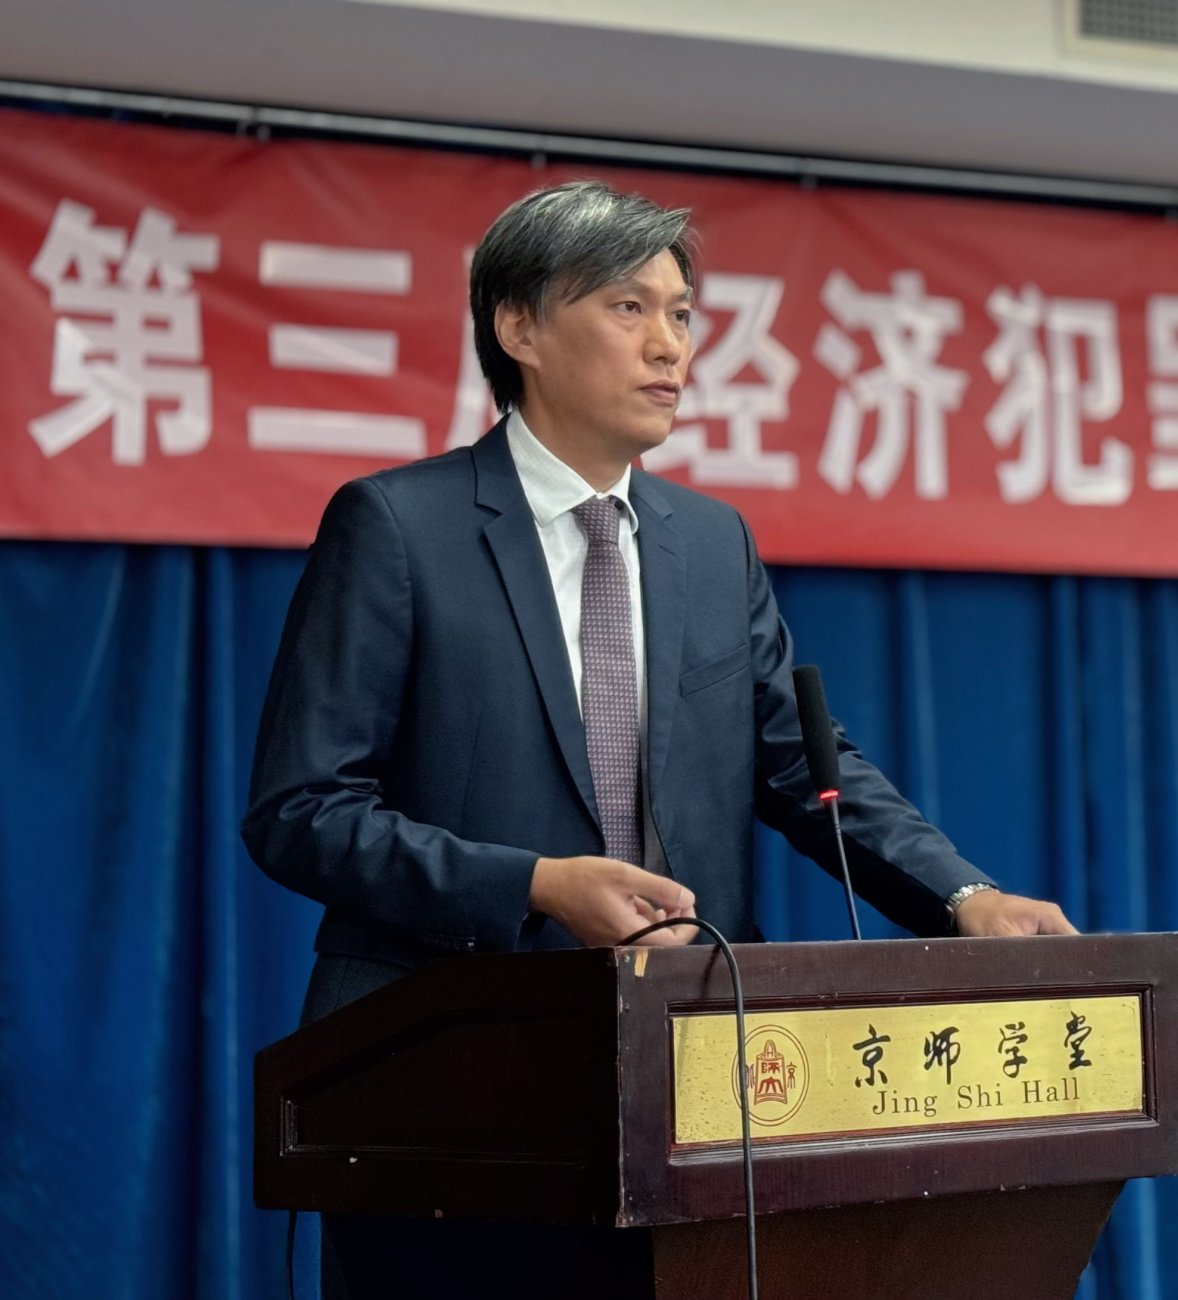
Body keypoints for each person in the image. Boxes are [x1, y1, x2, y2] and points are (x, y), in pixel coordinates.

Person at [242, 179, 1075, 1296]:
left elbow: (803, 764)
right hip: (449, 1077)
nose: (669, 345)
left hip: (690, 1074)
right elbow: (300, 812)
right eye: (628, 307)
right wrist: (535, 883)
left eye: (681, 314)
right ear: (519, 327)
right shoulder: (398, 526)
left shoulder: (711, 544)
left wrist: (960, 895)